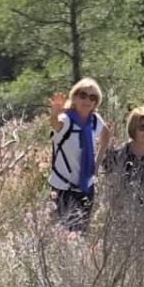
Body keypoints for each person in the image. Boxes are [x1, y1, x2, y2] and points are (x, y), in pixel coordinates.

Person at [48, 79, 107, 228]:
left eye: (92, 97)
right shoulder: (66, 119)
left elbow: (106, 135)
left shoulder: (94, 121)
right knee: (62, 234)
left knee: (80, 236)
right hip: (62, 189)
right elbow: (56, 124)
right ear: (74, 97)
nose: (87, 100)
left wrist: (97, 163)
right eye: (83, 95)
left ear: (96, 103)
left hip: (86, 188)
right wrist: (55, 112)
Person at [103, 105, 144, 202]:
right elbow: (110, 187)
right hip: (126, 208)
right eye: (142, 128)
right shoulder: (119, 154)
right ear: (133, 129)